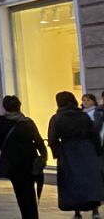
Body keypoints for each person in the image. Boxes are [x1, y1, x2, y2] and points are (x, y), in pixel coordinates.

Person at [0, 95, 48, 219]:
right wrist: (43, 157)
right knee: (30, 192)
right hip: (28, 161)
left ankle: (26, 215)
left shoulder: (0, 121)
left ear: (5, 107)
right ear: (19, 106)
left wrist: (2, 146)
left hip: (12, 163)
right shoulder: (27, 122)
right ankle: (32, 216)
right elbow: (39, 141)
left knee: (20, 192)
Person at [48, 90, 103, 219]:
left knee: (72, 183)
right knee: (90, 181)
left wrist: (57, 154)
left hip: (68, 152)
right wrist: (97, 151)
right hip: (87, 150)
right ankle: (95, 210)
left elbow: (52, 139)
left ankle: (77, 212)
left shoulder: (57, 118)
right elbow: (94, 134)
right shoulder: (83, 116)